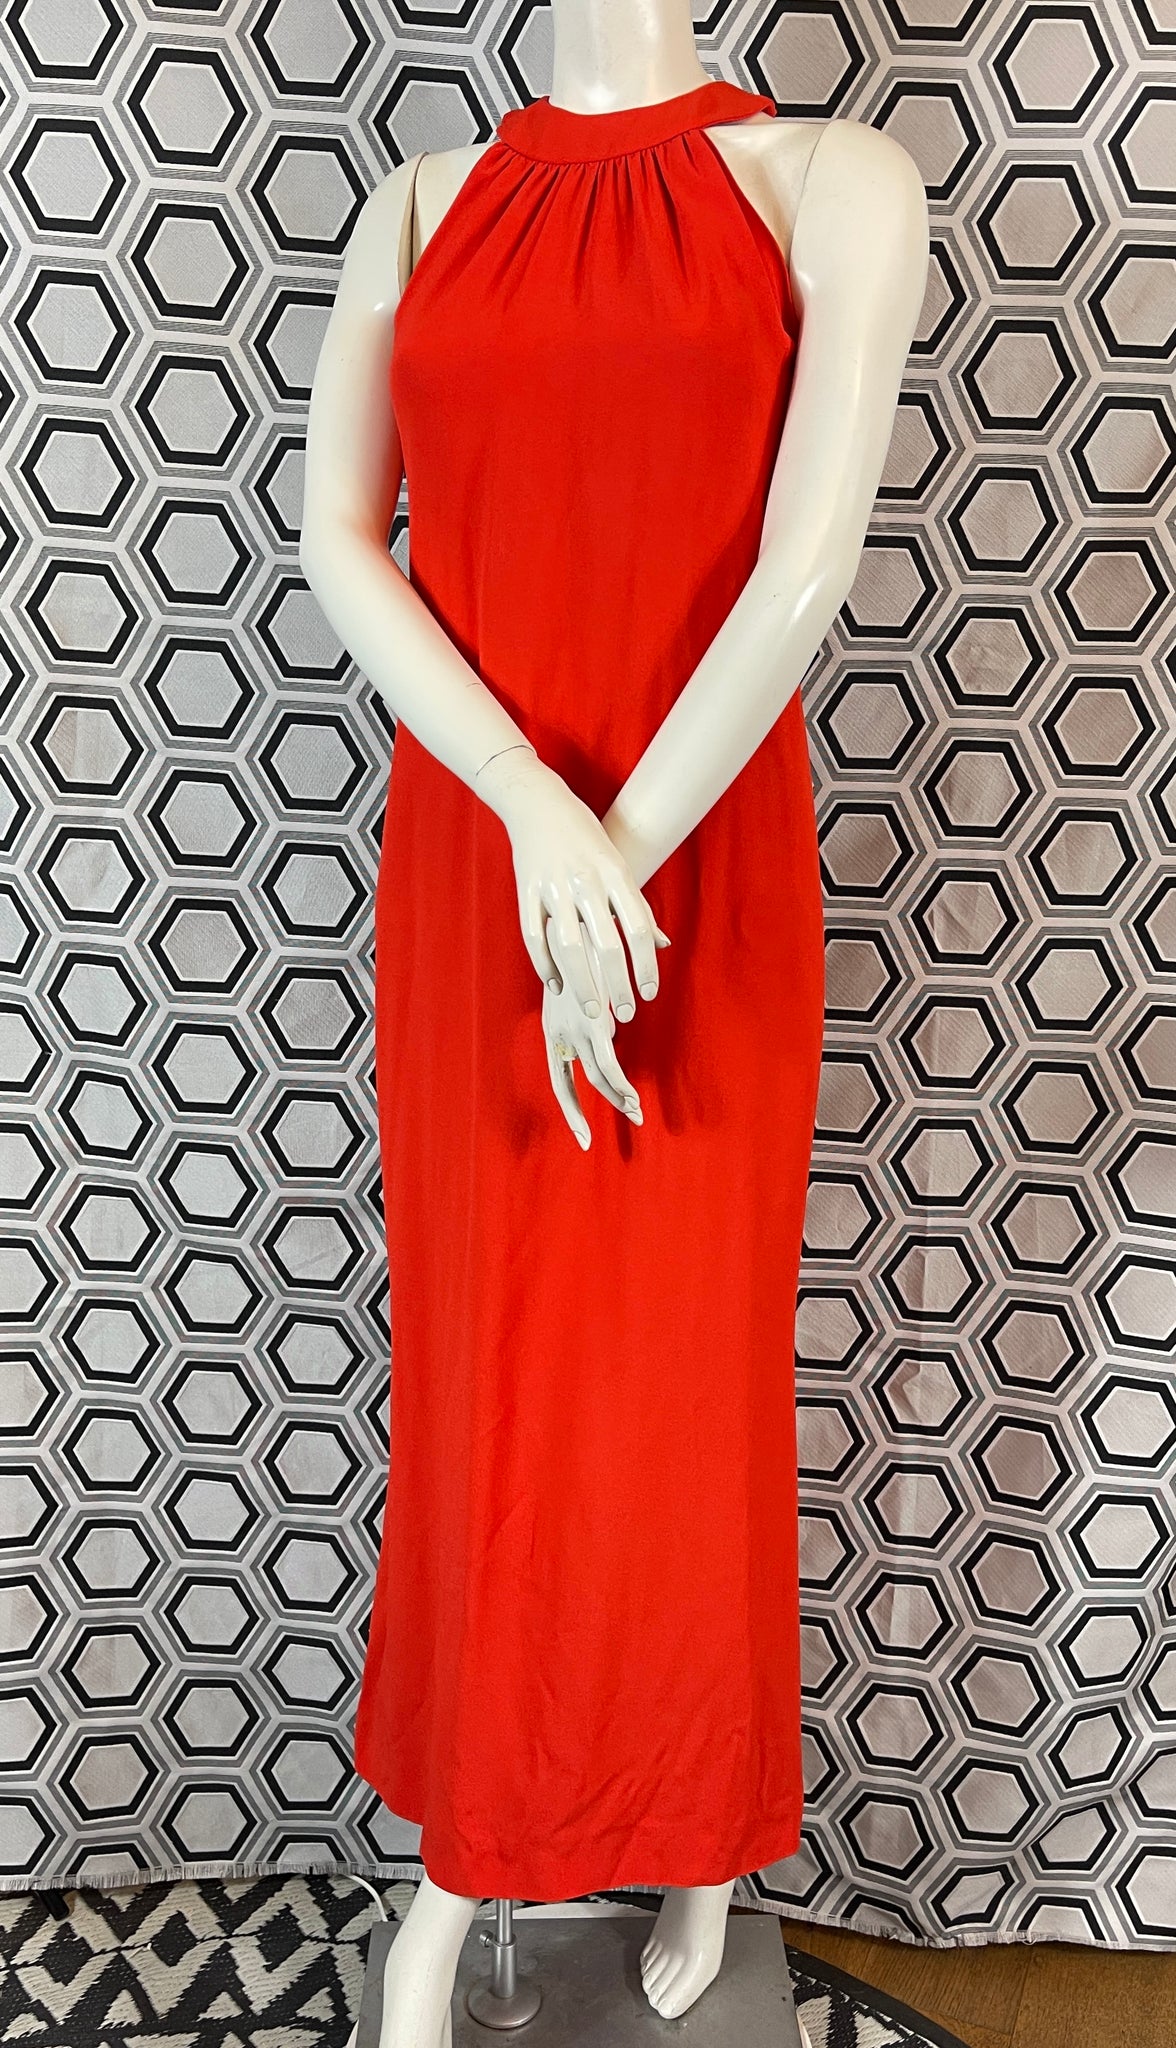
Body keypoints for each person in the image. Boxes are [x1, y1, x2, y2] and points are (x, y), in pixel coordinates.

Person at [299, 9, 928, 2045]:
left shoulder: (831, 183)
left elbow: (806, 566)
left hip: (695, 881)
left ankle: (700, 1836)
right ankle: (463, 1861)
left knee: (680, 1379)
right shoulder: (419, 206)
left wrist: (623, 851)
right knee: (487, 1378)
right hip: (483, 880)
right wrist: (535, 817)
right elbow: (336, 537)